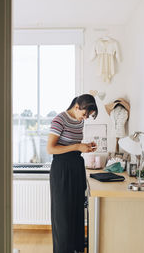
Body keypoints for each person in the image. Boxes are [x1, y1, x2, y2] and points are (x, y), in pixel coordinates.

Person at [47, 94, 98, 253]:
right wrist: (77, 147)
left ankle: (76, 250)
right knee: (63, 217)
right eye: (84, 114)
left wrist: (85, 146)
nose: (84, 118)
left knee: (76, 214)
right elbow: (50, 148)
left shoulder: (78, 121)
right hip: (61, 170)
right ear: (77, 107)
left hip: (76, 167)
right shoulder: (59, 120)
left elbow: (74, 145)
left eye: (87, 116)